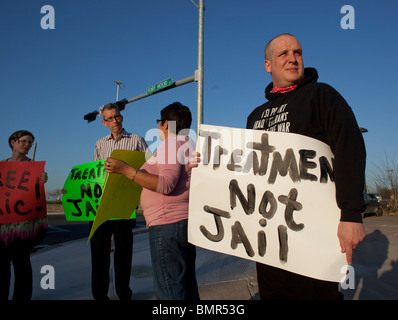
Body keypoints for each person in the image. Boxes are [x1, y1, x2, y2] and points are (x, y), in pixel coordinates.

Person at [245, 33, 366, 299]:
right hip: (269, 238)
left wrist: (351, 213)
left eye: (297, 52)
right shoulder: (254, 117)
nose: (292, 58)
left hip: (314, 233)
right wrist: (208, 164)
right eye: (283, 54)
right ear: (268, 65)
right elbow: (247, 170)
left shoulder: (322, 95)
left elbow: (350, 149)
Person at [105, 102, 200, 300]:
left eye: (159, 122)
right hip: (181, 223)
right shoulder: (189, 144)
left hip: (167, 225)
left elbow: (166, 184)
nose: (158, 126)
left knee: (170, 291)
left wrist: (126, 170)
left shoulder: (170, 145)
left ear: (166, 124)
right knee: (186, 287)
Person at [90, 102, 148, 300]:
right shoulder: (99, 144)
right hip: (102, 205)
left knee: (123, 253)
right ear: (104, 122)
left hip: (125, 204)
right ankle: (100, 295)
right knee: (99, 253)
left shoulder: (137, 140)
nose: (115, 120)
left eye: (118, 116)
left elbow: (149, 168)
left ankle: (124, 292)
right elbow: (96, 173)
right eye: (110, 118)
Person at [0, 130, 48, 300]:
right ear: (13, 142)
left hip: (23, 227)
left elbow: (35, 196)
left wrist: (42, 179)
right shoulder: (1, 167)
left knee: (22, 267)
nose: (27, 145)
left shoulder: (33, 168)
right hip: (2, 227)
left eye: (29, 142)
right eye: (23, 141)